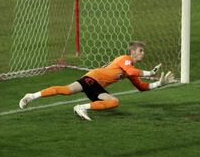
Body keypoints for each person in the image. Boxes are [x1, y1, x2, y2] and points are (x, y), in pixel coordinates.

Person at [19, 41, 176, 121]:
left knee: (67, 90)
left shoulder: (131, 69)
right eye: (140, 50)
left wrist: (159, 84)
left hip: (94, 82)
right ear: (133, 51)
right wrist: (150, 72)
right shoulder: (125, 59)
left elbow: (141, 87)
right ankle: (81, 107)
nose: (143, 54)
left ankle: (31, 96)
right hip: (93, 78)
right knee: (113, 101)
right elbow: (131, 71)